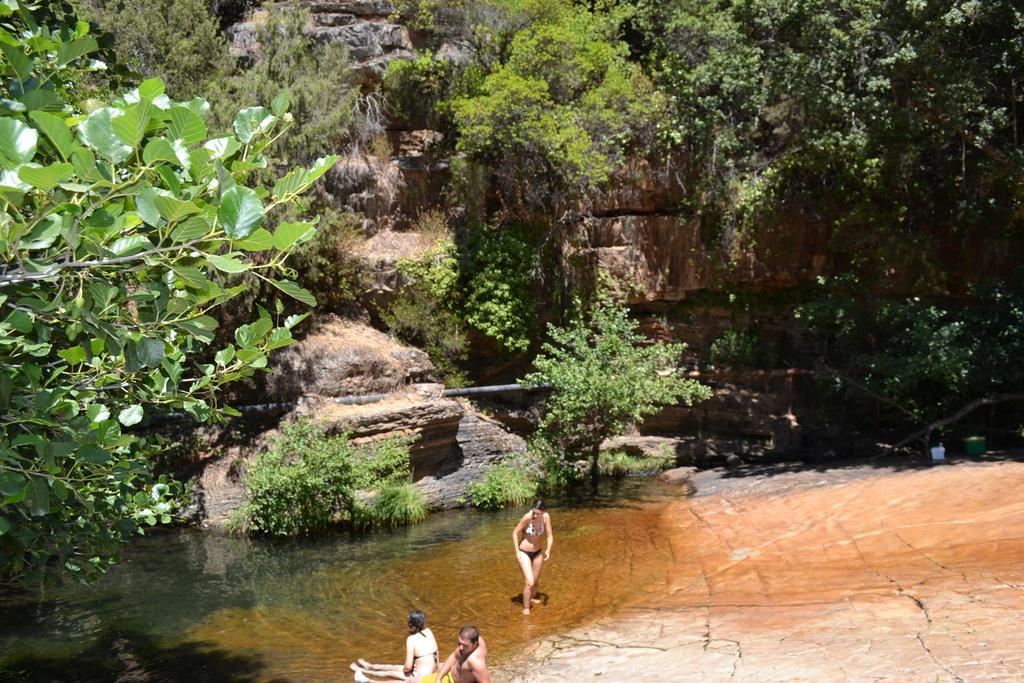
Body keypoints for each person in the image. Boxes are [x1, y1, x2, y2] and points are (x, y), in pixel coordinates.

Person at [351, 609, 439, 682]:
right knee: (395, 669)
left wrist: (405, 671)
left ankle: (365, 679)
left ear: (411, 625)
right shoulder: (429, 631)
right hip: (430, 674)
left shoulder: (411, 640)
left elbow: (408, 667)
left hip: (421, 678)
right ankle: (369, 667)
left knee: (392, 675)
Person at [512, 499, 553, 615]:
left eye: (537, 513)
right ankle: (526, 607)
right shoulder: (527, 517)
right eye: (534, 512)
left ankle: (532, 597)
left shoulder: (546, 517)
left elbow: (550, 536)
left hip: (538, 552)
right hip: (524, 551)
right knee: (529, 582)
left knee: (535, 581)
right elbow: (514, 533)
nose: (535, 515)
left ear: (543, 512)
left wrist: (548, 550)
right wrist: (516, 552)